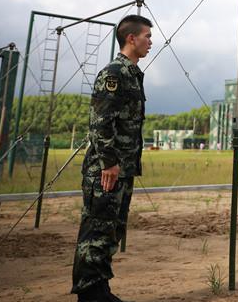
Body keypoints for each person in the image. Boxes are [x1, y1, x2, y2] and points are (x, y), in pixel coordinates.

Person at [71, 15, 152, 302]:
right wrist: (109, 162)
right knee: (97, 230)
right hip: (107, 170)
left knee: (110, 231)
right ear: (131, 38)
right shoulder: (114, 74)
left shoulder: (131, 74)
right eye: (146, 37)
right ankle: (90, 294)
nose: (150, 42)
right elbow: (100, 122)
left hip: (122, 169)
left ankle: (100, 288)